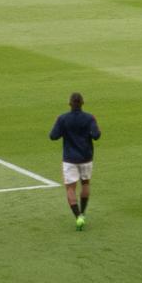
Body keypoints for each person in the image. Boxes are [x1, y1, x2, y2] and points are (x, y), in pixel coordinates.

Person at [48, 91, 100, 230]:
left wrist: (58, 124)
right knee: (86, 184)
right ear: (82, 103)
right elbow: (96, 135)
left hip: (70, 159)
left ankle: (78, 217)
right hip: (86, 157)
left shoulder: (63, 119)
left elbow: (53, 136)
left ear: (69, 104)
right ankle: (83, 212)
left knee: (70, 188)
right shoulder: (90, 118)